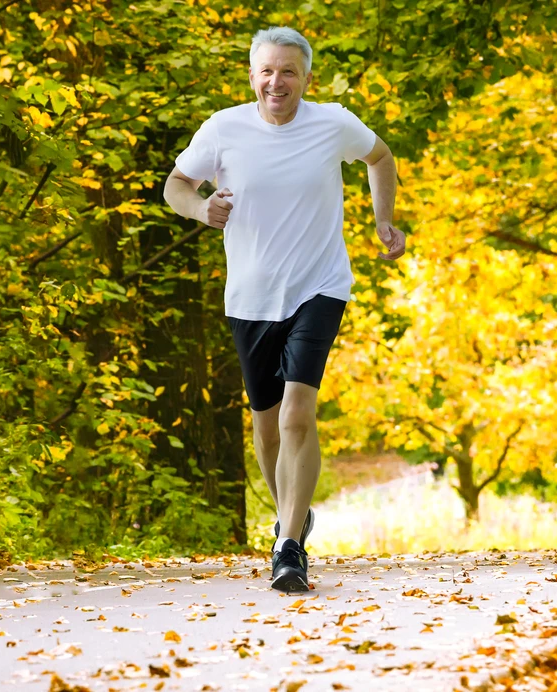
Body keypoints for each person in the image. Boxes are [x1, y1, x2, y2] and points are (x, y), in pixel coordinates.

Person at [163, 26, 405, 593]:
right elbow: (176, 185)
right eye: (267, 70)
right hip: (250, 296)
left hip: (319, 285)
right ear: (252, 75)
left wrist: (383, 219)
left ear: (306, 78)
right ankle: (291, 516)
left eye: (289, 71)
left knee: (298, 412)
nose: (278, 81)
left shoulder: (333, 123)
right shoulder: (224, 128)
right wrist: (202, 212)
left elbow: (380, 156)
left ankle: (289, 547)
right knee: (266, 426)